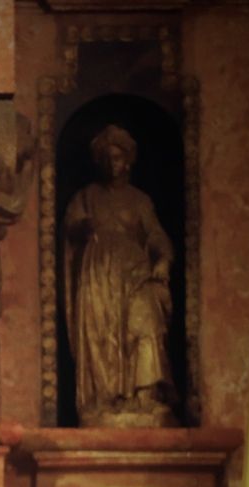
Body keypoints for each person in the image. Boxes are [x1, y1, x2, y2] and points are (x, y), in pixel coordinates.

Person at [63, 124, 175, 424]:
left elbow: (156, 236)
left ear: (128, 160)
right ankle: (105, 398)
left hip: (134, 272)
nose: (113, 165)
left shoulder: (140, 200)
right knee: (103, 334)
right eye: (107, 158)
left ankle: (146, 394)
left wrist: (163, 260)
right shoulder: (87, 196)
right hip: (99, 274)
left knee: (146, 322)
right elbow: (69, 228)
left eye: (118, 157)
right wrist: (82, 228)